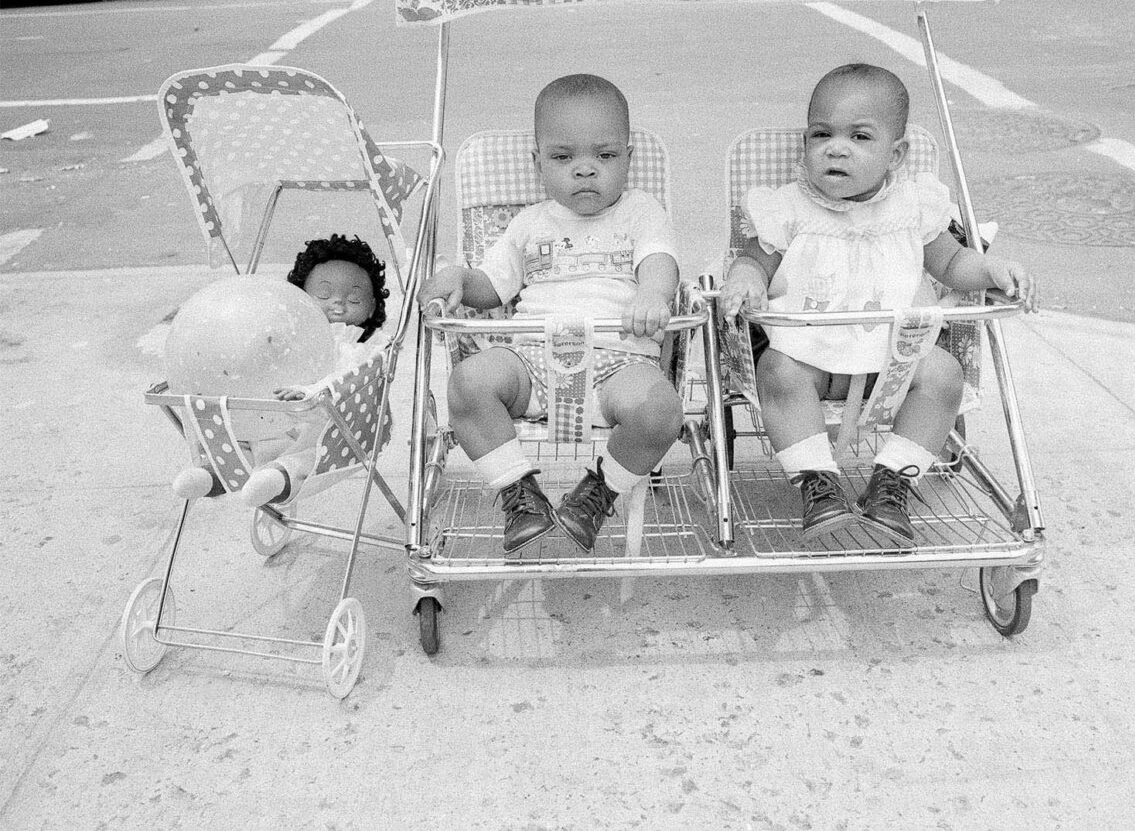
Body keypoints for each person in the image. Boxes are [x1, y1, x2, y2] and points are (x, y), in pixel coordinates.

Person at [720, 64, 1038, 544]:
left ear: (896, 154)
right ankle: (817, 483)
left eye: (860, 137)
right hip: (812, 359)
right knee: (776, 371)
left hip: (896, 364)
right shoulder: (788, 208)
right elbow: (755, 262)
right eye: (821, 134)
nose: (836, 147)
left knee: (943, 373)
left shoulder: (914, 206)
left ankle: (891, 482)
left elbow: (951, 264)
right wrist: (745, 282)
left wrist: (990, 270)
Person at [418, 73, 684, 554]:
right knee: (468, 383)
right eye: (564, 158)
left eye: (604, 156)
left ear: (628, 158)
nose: (585, 170)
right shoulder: (527, 223)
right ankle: (519, 494)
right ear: (537, 164)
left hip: (617, 362)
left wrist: (653, 294)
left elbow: (660, 261)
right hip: (532, 361)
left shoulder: (640, 211)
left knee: (662, 410)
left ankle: (598, 494)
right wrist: (458, 277)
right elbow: (493, 288)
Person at [172, 234, 390, 506]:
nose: (338, 303)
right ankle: (212, 473)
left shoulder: (362, 348)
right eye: (324, 294)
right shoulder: (288, 331)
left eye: (354, 299)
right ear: (299, 297)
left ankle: (279, 478)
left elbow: (351, 377)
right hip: (269, 418)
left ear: (371, 307)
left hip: (328, 424)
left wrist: (310, 393)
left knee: (310, 453)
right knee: (245, 436)